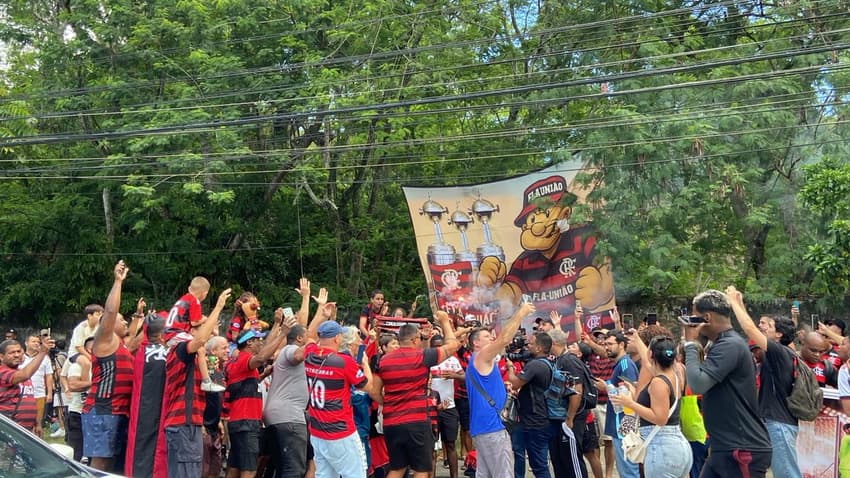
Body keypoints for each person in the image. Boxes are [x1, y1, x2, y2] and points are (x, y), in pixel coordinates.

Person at [682, 289, 772, 477]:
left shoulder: (729, 345)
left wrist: (690, 343)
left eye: (695, 316)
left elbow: (697, 384)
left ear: (706, 317)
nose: (691, 321)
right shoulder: (722, 344)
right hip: (724, 447)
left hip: (741, 449)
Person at [373, 312, 463, 478]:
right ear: (414, 340)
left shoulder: (383, 360)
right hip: (417, 421)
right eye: (420, 340)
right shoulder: (423, 356)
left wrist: (387, 403)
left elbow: (374, 391)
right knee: (421, 469)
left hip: (391, 421)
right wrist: (444, 322)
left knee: (397, 468)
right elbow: (452, 345)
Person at [726, 286, 801, 478]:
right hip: (775, 423)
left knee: (787, 474)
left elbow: (749, 329)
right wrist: (740, 302)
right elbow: (752, 326)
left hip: (779, 424)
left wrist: (733, 302)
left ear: (778, 334)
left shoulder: (779, 351)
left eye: (768, 326)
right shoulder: (781, 352)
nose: (762, 327)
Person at [162, 287, 231, 478]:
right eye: (206, 327)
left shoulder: (205, 358)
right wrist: (218, 307)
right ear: (191, 329)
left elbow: (215, 391)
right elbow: (200, 340)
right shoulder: (181, 349)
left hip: (197, 424)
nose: (210, 332)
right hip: (183, 424)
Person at [466, 301, 535, 478]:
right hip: (492, 426)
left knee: (485, 474)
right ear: (476, 343)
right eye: (487, 337)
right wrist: (521, 313)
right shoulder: (481, 356)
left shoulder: (477, 361)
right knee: (503, 473)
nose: (491, 338)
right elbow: (504, 338)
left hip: (482, 427)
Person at [225, 309, 295, 478]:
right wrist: (283, 333)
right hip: (246, 422)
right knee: (249, 469)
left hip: (239, 421)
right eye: (258, 340)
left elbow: (245, 385)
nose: (262, 342)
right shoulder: (244, 360)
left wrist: (277, 324)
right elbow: (262, 356)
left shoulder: (239, 362)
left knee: (235, 467)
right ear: (249, 343)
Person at [611, 334, 691, 478]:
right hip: (678, 446)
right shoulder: (675, 374)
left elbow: (660, 418)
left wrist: (629, 403)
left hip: (662, 447)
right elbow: (649, 364)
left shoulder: (658, 382)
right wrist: (637, 339)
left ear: (651, 354)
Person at [82, 260, 134, 472]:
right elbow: (111, 312)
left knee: (111, 464)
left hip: (118, 411)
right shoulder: (105, 340)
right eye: (123, 320)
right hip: (103, 410)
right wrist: (118, 282)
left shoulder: (122, 345)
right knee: (101, 463)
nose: (125, 323)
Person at [305, 317, 374, 478]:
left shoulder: (309, 355)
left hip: (317, 431)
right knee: (355, 474)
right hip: (341, 432)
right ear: (337, 338)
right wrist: (365, 365)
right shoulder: (343, 362)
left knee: (324, 475)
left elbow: (308, 336)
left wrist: (322, 313)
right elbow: (368, 386)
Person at [506, 331, 554, 478]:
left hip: (535, 421)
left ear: (539, 348)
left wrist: (510, 368)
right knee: (536, 462)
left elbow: (514, 383)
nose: (527, 347)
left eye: (531, 344)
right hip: (538, 417)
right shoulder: (547, 363)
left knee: (538, 466)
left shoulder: (534, 365)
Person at [125, 314, 168, 478]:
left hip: (140, 410)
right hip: (158, 410)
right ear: (162, 334)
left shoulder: (141, 352)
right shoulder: (165, 354)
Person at [592, 330, 638, 478]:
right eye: (605, 344)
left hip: (624, 426)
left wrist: (605, 387)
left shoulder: (625, 364)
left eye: (610, 344)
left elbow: (630, 393)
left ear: (622, 345)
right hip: (620, 425)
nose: (607, 347)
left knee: (628, 470)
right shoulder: (619, 364)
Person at [164, 276, 223, 392]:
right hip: (176, 333)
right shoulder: (194, 301)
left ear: (189, 288)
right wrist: (207, 319)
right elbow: (195, 322)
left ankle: (206, 376)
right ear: (204, 293)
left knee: (198, 350)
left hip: (170, 333)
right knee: (200, 348)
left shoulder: (183, 299)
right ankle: (206, 381)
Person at [547, 327, 589, 478]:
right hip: (560, 418)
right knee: (560, 460)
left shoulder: (570, 360)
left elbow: (577, 390)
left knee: (572, 460)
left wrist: (570, 418)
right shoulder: (558, 360)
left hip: (572, 418)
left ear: (552, 342)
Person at [0, 335, 54, 434]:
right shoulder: (2, 372)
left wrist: (37, 423)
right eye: (12, 353)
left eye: (19, 351)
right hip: (8, 430)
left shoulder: (21, 372)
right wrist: (42, 352)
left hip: (26, 431)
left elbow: (30, 399)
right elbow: (25, 374)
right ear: (1, 357)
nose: (17, 355)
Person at [429, 334, 464, 478]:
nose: (438, 348)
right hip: (431, 409)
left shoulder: (453, 360)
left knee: (450, 444)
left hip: (449, 408)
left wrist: (454, 376)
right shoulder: (427, 361)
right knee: (431, 448)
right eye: (435, 346)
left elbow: (464, 378)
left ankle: (454, 475)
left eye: (440, 345)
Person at [64, 336, 93, 461]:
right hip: (78, 414)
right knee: (76, 452)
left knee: (93, 453)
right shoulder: (77, 365)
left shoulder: (102, 365)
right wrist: (95, 383)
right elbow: (73, 385)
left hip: (95, 414)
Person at [203, 336, 228, 478]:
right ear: (213, 351)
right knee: (202, 471)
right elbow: (198, 396)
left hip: (214, 428)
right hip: (202, 427)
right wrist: (200, 422)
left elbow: (214, 398)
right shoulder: (203, 369)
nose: (227, 350)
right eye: (223, 348)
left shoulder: (219, 371)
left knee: (214, 470)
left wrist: (218, 421)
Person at [22, 334, 54, 436]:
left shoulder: (45, 358)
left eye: (38, 342)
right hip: (23, 395)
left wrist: (49, 393)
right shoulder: (20, 358)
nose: (36, 344)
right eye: (33, 341)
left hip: (39, 394)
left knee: (38, 423)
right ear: (26, 343)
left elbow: (49, 376)